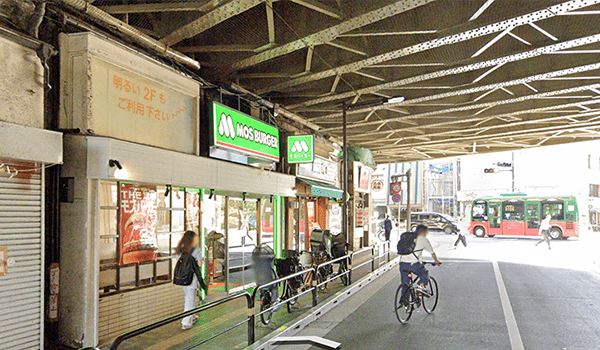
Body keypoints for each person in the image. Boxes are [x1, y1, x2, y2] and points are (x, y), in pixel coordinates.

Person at [399, 225, 442, 305]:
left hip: (402, 263)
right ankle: (421, 286)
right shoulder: (423, 240)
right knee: (424, 273)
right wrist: (437, 261)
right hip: (413, 264)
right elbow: (432, 253)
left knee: (406, 284)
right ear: (423, 232)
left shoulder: (409, 237)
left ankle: (405, 303)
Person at [176, 231, 206, 330]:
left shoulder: (180, 249)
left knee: (189, 298)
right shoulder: (196, 250)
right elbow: (199, 264)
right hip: (191, 278)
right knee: (189, 300)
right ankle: (185, 323)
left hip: (182, 278)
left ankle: (192, 316)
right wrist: (202, 260)